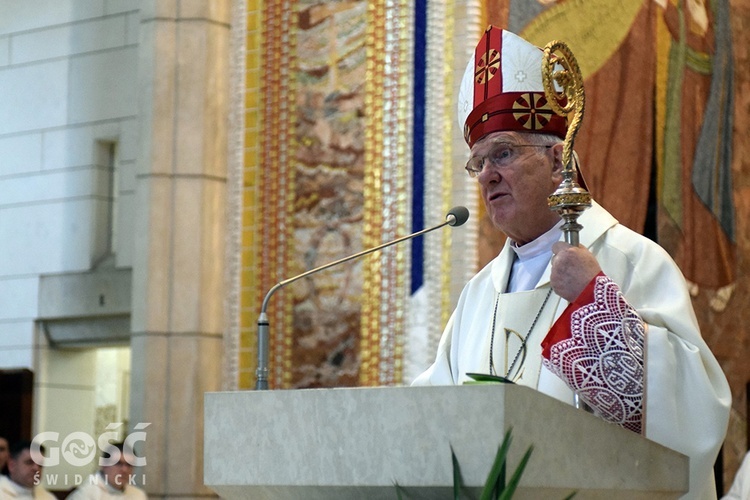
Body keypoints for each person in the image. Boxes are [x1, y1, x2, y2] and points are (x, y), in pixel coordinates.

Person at [412, 26, 731, 500]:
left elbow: (696, 420)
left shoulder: (631, 261)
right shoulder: (478, 296)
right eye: (478, 163)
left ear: (558, 159)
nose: (487, 177)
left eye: (503, 153)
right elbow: (430, 422)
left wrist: (595, 305)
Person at [67, 442, 147, 499]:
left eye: (129, 465)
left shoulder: (138, 495)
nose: (124, 469)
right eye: (118, 463)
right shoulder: (86, 493)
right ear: (104, 465)